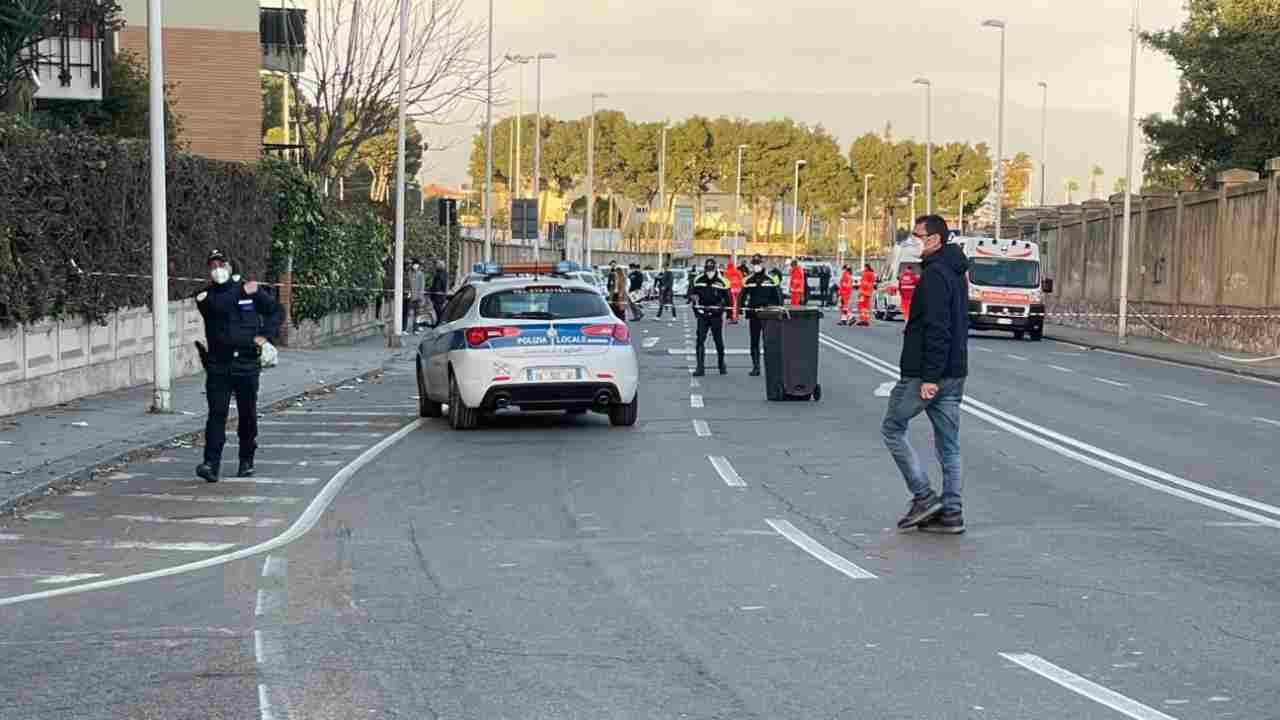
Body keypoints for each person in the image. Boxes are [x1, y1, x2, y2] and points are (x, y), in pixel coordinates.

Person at [882, 215, 970, 534]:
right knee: (949, 444)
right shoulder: (957, 272)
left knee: (892, 428)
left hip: (926, 374)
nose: (913, 241)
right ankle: (952, 513)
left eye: (917, 235)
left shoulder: (935, 275)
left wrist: (930, 378)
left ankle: (923, 496)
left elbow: (938, 328)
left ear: (934, 239)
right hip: (955, 371)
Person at [194, 250, 282, 482]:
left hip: (246, 362)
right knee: (217, 414)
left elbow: (275, 310)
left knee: (247, 414)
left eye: (221, 264)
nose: (217, 269)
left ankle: (246, 460)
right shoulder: (205, 296)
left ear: (230, 266)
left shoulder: (250, 292)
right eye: (212, 265)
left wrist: (265, 336)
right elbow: (220, 307)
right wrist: (242, 290)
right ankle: (210, 464)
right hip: (219, 364)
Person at [741, 253, 782, 376]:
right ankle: (756, 367)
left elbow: (778, 298)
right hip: (754, 314)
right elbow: (742, 296)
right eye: (754, 264)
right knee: (754, 341)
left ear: (762, 264)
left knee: (769, 342)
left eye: (758, 264)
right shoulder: (748, 280)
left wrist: (778, 311)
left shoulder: (771, 279)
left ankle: (771, 367)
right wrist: (741, 309)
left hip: (768, 315)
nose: (756, 266)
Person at [689, 258, 730, 376]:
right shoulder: (698, 279)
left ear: (715, 269)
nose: (709, 272)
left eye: (711, 270)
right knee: (700, 340)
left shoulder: (723, 281)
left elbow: (728, 300)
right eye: (707, 270)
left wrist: (728, 315)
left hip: (716, 315)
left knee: (718, 341)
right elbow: (692, 296)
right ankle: (700, 367)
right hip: (703, 314)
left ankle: (721, 364)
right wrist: (696, 312)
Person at [408, 259, 426, 334]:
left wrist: (420, 296)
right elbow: (409, 284)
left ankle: (416, 328)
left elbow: (422, 286)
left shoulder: (420, 274)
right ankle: (413, 328)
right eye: (414, 264)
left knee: (417, 313)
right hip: (411, 297)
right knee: (411, 313)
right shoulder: (409, 273)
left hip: (418, 297)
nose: (415, 266)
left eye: (416, 264)